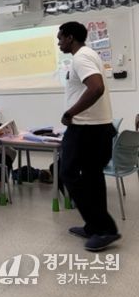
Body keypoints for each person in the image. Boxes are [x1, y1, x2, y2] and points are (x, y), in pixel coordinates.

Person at [57, 21, 119, 251]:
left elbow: (96, 87)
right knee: (93, 177)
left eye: (60, 38)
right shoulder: (89, 54)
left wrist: (70, 113)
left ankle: (104, 228)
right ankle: (95, 226)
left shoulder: (80, 58)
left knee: (67, 173)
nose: (58, 43)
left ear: (70, 37)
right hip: (98, 128)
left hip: (86, 129)